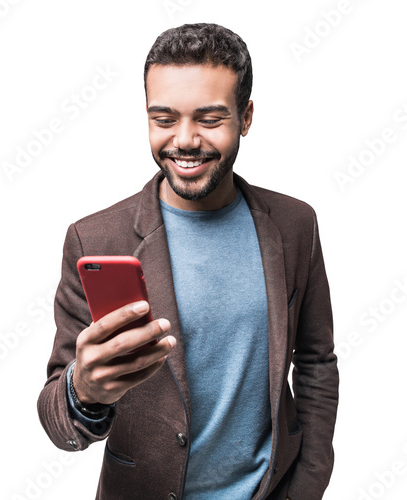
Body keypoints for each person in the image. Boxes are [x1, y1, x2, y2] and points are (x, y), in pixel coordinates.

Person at [37, 23, 339, 500]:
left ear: (246, 116)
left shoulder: (295, 224)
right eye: (163, 118)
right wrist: (84, 391)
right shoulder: (95, 238)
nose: (185, 140)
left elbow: (317, 363)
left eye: (210, 118)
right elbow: (58, 420)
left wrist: (308, 483)